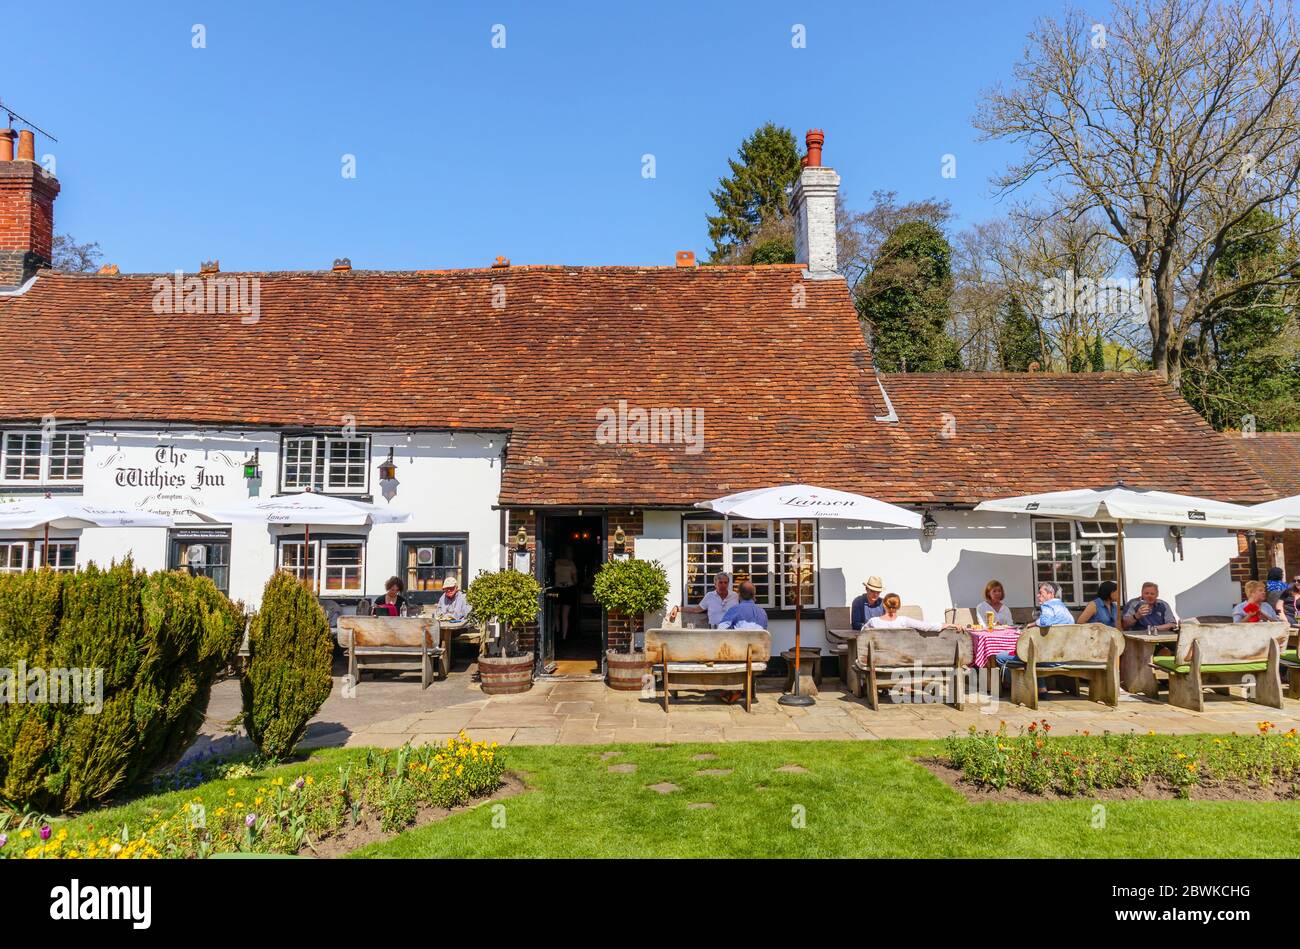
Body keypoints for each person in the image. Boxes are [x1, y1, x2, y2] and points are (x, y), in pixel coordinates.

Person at [994, 582, 1073, 690]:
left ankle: (1020, 688)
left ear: (1051, 594)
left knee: (1001, 657)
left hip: (1046, 659)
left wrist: (1033, 624)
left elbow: (1045, 621)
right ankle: (1041, 688)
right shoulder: (1065, 610)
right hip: (1064, 657)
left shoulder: (1048, 605)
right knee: (1034, 654)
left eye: (1041, 593)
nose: (1038, 595)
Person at [668, 571, 738, 628]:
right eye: (720, 582)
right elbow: (696, 610)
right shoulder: (710, 596)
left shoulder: (734, 596)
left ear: (728, 584)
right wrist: (678, 608)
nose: (723, 585)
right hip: (714, 630)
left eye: (725, 583)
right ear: (715, 584)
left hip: (731, 630)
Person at [865, 594, 959, 632]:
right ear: (898, 606)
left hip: (878, 660)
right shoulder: (904, 621)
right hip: (901, 660)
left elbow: (862, 636)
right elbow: (927, 626)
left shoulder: (873, 622)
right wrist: (948, 624)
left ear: (884, 605)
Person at [554, 547, 578, 640]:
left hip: (557, 588)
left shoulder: (556, 562)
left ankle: (557, 633)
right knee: (565, 615)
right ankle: (563, 637)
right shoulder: (571, 564)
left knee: (556, 613)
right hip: (568, 588)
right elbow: (575, 580)